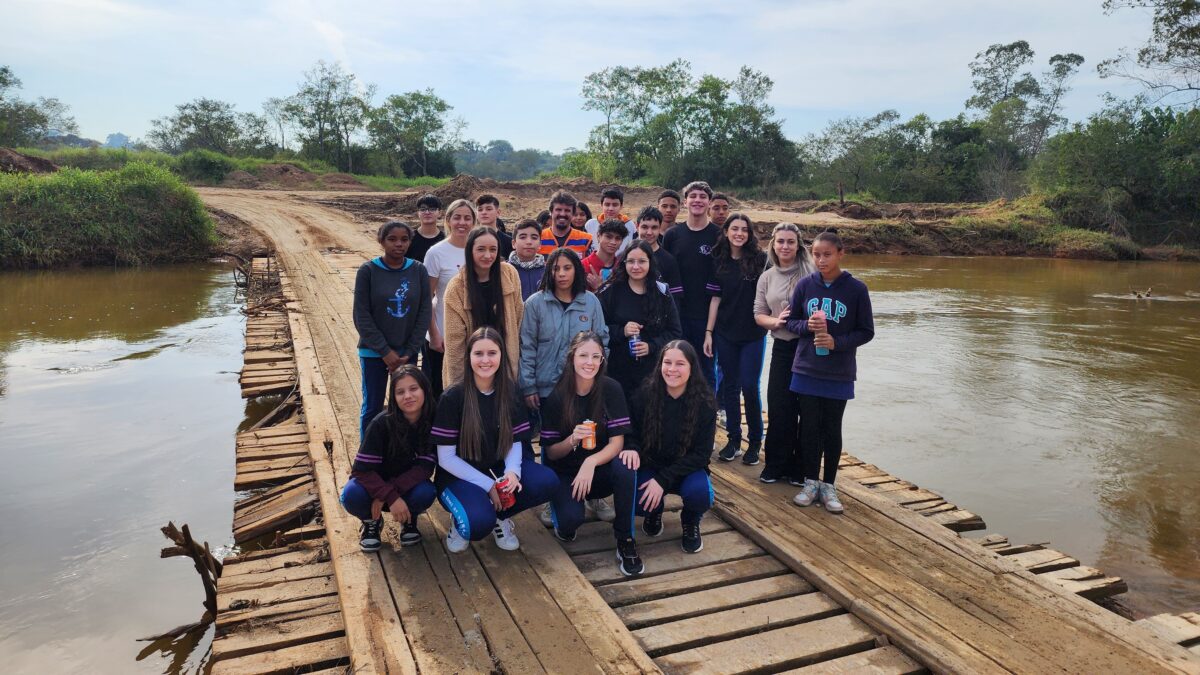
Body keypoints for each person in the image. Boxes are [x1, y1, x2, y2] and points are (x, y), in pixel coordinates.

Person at [433, 328, 559, 551]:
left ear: (501, 355)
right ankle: (463, 518)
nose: (485, 360)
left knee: (547, 481)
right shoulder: (453, 397)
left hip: (496, 469)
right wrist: (488, 485)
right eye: (478, 353)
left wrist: (512, 472)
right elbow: (446, 459)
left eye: (492, 353)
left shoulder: (509, 391)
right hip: (457, 477)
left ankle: (502, 516)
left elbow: (515, 440)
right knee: (477, 525)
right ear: (468, 356)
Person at [539, 332, 643, 576]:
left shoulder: (611, 388)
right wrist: (573, 439)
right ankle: (561, 506)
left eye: (596, 356)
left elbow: (617, 442)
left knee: (626, 465)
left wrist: (590, 462)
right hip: (568, 473)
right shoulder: (557, 396)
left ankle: (625, 539)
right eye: (583, 355)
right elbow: (551, 453)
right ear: (572, 358)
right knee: (568, 525)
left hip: (599, 469)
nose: (590, 362)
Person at [785, 230, 874, 514]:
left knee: (832, 429)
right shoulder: (804, 285)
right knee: (808, 427)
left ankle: (830, 484)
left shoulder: (856, 289)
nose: (821, 260)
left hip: (838, 371)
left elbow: (866, 331)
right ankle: (810, 482)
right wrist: (806, 327)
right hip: (807, 368)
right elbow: (792, 322)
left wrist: (837, 343)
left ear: (840, 254)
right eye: (816, 255)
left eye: (827, 255)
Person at [626, 340, 716, 554]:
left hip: (687, 469)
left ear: (692, 368)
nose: (672, 369)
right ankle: (654, 512)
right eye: (667, 362)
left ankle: (691, 521)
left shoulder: (705, 403)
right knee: (640, 502)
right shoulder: (644, 395)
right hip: (652, 464)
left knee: (700, 495)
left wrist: (662, 480)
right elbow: (632, 434)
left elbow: (702, 455)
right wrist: (632, 448)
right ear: (660, 365)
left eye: (680, 364)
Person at [341, 365, 438, 551]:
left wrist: (390, 494)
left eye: (413, 389)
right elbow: (360, 471)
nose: (408, 396)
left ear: (425, 390)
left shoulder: (431, 422)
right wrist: (389, 496)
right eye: (400, 392)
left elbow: (425, 468)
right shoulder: (381, 423)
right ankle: (371, 522)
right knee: (350, 494)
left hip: (405, 487)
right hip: (374, 486)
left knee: (426, 491)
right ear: (393, 397)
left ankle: (409, 519)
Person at [353, 221, 432, 439]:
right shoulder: (368, 271)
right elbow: (361, 316)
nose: (399, 244)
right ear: (381, 241)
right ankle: (367, 459)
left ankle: (404, 451)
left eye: (404, 240)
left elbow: (424, 312)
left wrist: (409, 350)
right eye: (392, 239)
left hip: (408, 352)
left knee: (408, 406)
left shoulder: (418, 270)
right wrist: (386, 353)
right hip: (373, 353)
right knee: (373, 407)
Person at [703, 213, 768, 463]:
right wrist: (709, 333)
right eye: (735, 229)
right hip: (725, 332)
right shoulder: (718, 259)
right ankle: (733, 439)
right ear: (726, 232)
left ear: (749, 234)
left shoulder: (760, 261)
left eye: (744, 229)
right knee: (730, 386)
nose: (739, 233)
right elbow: (715, 299)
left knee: (750, 386)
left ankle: (754, 443)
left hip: (753, 333)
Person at [753, 222, 815, 483]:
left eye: (790, 241)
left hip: (809, 349)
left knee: (806, 408)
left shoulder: (812, 275)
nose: (785, 246)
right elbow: (758, 314)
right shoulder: (767, 276)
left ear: (798, 245)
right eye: (780, 241)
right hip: (782, 346)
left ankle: (800, 468)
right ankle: (775, 465)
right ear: (773, 245)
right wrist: (776, 323)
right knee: (779, 406)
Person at [598, 240, 681, 400]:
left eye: (642, 261)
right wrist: (622, 331)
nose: (636, 267)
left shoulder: (661, 291)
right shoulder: (611, 291)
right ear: (624, 263)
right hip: (618, 372)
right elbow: (598, 330)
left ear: (650, 262)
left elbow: (675, 332)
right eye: (631, 261)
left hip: (653, 372)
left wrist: (651, 346)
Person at [442, 226, 524, 387]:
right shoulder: (456, 288)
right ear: (469, 250)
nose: (488, 255)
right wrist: (458, 388)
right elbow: (454, 344)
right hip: (472, 367)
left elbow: (518, 319)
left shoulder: (509, 274)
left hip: (505, 363)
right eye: (481, 249)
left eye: (493, 249)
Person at [662, 181, 720, 386]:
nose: (697, 200)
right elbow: (664, 274)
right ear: (685, 202)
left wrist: (711, 329)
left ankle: (709, 415)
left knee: (706, 369)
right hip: (677, 313)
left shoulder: (718, 235)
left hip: (707, 316)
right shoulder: (672, 235)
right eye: (693, 196)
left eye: (703, 197)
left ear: (710, 202)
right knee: (676, 367)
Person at [423, 199, 476, 398]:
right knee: (441, 391)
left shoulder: (479, 250)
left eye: (467, 218)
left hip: (474, 335)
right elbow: (427, 298)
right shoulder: (436, 253)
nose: (462, 223)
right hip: (443, 334)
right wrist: (434, 334)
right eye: (457, 217)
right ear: (448, 220)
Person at [632, 206, 683, 305]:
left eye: (654, 227)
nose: (649, 232)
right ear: (637, 227)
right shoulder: (626, 256)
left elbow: (675, 298)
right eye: (645, 227)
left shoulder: (669, 260)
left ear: (660, 228)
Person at [539, 190, 593, 256]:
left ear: (573, 213)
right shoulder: (538, 238)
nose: (562, 214)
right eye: (558, 210)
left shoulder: (586, 240)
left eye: (567, 210)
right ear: (551, 212)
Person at [583, 187, 635, 254]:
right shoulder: (591, 225)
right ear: (601, 205)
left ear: (621, 206)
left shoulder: (629, 225)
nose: (610, 208)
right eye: (607, 204)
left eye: (615, 205)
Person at [508, 218, 547, 301]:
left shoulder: (548, 271)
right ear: (514, 243)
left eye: (534, 237)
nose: (529, 242)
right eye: (523, 237)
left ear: (540, 244)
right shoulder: (506, 270)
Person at [582, 219, 626, 291]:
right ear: (598, 236)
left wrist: (600, 288)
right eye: (608, 237)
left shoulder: (622, 268)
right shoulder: (583, 266)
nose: (613, 242)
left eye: (618, 238)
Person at [407, 194, 444, 262]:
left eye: (432, 209)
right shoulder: (409, 238)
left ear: (440, 213)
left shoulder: (445, 239)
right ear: (418, 213)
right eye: (423, 209)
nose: (427, 212)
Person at [475, 194, 513, 258]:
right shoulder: (470, 239)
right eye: (480, 210)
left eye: (489, 209)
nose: (484, 212)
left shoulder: (509, 242)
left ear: (498, 212)